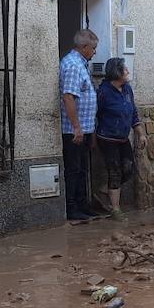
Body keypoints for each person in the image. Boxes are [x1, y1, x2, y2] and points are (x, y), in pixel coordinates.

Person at [94, 58, 146, 222]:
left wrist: (140, 132)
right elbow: (94, 115)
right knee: (115, 171)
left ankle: (104, 190)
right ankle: (115, 209)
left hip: (123, 138)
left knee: (129, 169)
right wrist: (92, 137)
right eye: (125, 69)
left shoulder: (127, 89)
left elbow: (133, 112)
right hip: (107, 138)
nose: (128, 72)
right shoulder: (103, 92)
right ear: (116, 73)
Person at [60, 29, 98, 220]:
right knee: (74, 170)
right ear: (84, 47)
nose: (95, 52)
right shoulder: (74, 65)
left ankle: (83, 205)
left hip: (84, 129)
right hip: (74, 130)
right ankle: (72, 208)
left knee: (82, 169)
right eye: (93, 48)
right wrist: (77, 127)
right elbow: (69, 97)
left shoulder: (81, 64)